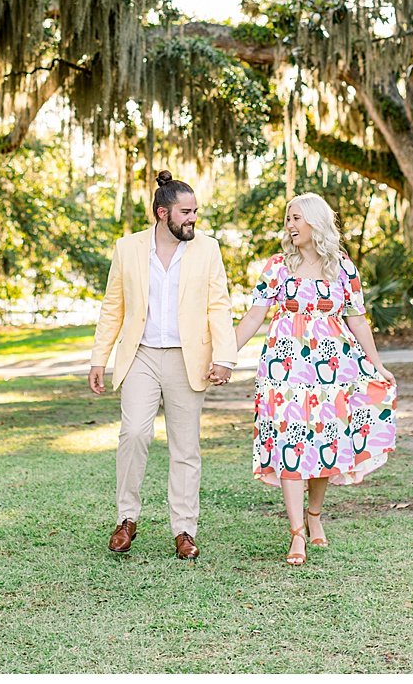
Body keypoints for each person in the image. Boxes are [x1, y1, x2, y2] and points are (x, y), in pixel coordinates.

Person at [233, 192, 396, 566]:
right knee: (290, 443)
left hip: (333, 369)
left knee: (323, 441)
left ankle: (315, 515)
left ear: (315, 222)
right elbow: (254, 317)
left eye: (296, 219)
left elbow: (357, 319)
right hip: (282, 371)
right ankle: (296, 534)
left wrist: (378, 365)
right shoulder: (277, 266)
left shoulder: (342, 268)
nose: (290, 225)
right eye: (287, 219)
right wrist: (225, 356)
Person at [88, 171, 237, 560]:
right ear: (161, 213)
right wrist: (99, 359)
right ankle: (126, 519)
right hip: (140, 356)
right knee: (134, 434)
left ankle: (184, 530)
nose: (193, 219)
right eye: (186, 212)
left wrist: (224, 357)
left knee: (185, 448)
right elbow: (112, 307)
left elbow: (218, 304)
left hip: (189, 359)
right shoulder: (129, 248)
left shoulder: (208, 248)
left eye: (195, 212)